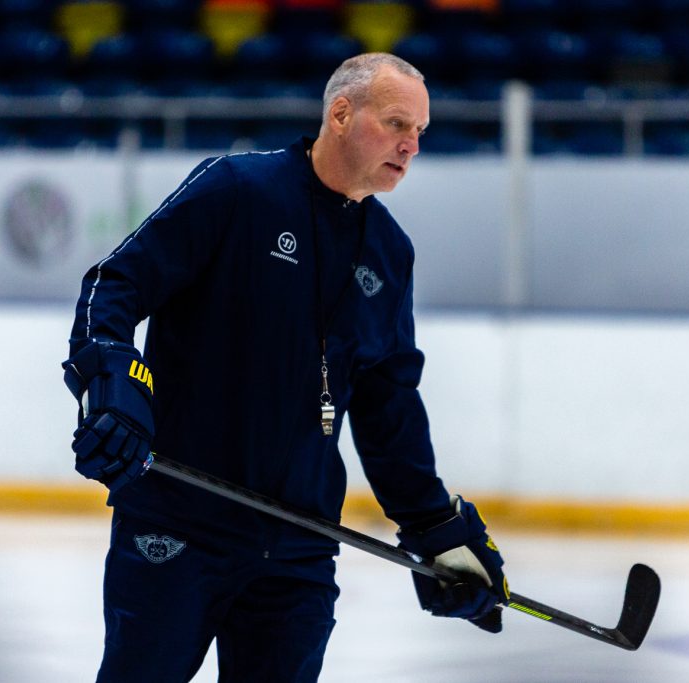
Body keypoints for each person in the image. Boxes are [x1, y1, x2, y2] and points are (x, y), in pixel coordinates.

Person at [61, 52, 509, 683]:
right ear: (342, 113)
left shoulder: (389, 253)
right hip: (179, 523)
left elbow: (390, 410)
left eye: (420, 133)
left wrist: (433, 524)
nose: (411, 146)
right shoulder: (235, 190)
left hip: (299, 545)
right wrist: (114, 384)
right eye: (397, 124)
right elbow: (113, 287)